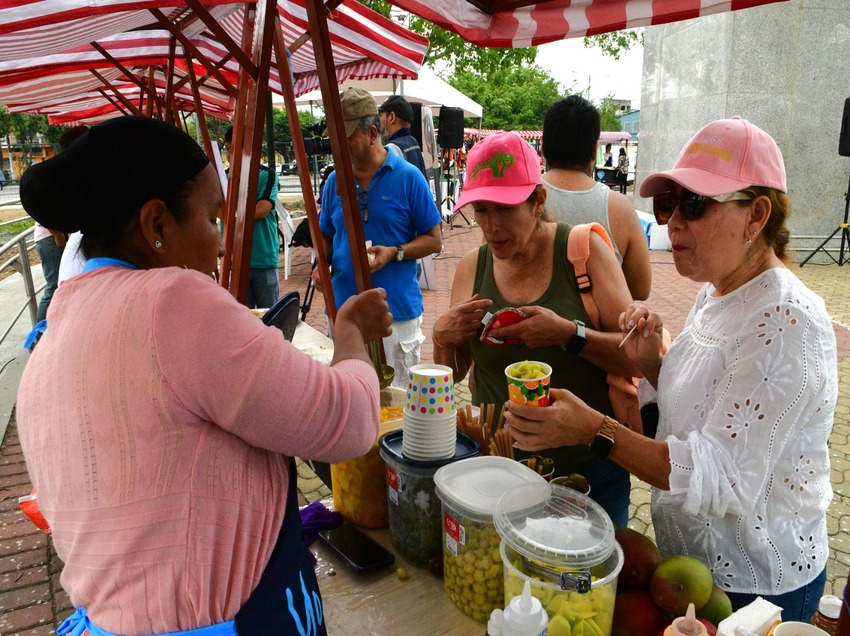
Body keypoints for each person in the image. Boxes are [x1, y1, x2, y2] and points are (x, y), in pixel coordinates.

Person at [15, 116, 392, 635]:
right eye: (212, 219)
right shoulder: (171, 301)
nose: (220, 243)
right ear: (156, 226)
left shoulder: (61, 320)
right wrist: (350, 331)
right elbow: (347, 422)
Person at [504, 117, 836, 622]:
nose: (672, 222)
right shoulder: (717, 289)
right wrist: (652, 365)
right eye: (667, 203)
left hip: (754, 586)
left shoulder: (786, 317)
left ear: (757, 215)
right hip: (689, 567)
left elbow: (723, 476)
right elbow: (706, 409)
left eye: (695, 204)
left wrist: (596, 429)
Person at [431, 131, 639, 527]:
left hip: (588, 471)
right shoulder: (472, 267)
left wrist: (568, 335)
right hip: (499, 470)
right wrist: (443, 337)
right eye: (481, 209)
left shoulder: (584, 253)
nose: (491, 225)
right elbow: (455, 370)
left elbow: (636, 355)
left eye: (505, 209)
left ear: (538, 202)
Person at [315, 88, 442, 389]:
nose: (337, 146)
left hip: (394, 316)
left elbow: (434, 240)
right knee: (347, 404)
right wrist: (319, 264)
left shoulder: (409, 177)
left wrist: (396, 252)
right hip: (344, 315)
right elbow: (326, 235)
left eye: (345, 138)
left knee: (394, 410)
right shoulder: (335, 181)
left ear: (372, 132)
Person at [541, 95, 651, 300]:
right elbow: (640, 288)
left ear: (543, 148)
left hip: (525, 329)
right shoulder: (619, 207)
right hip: (597, 330)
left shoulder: (519, 199)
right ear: (594, 151)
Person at [223, 126, 280, 309]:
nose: (230, 155)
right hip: (235, 262)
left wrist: (230, 213)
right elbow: (214, 210)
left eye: (236, 149)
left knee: (270, 319)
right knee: (241, 320)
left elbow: (262, 209)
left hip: (263, 261)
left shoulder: (266, 175)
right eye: (228, 149)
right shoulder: (222, 178)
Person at [378, 94, 427, 179]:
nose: (378, 121)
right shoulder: (413, 142)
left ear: (391, 117)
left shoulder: (392, 149)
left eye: (380, 115)